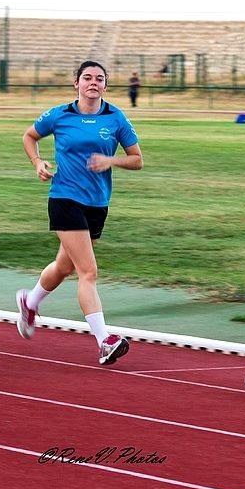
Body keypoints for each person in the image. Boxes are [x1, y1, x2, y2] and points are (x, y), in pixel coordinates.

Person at [15, 60, 143, 365]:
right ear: (77, 83)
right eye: (87, 78)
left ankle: (29, 302)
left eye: (99, 79)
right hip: (64, 198)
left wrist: (111, 161)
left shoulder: (115, 118)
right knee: (88, 271)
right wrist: (37, 162)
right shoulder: (59, 115)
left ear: (105, 85)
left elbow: (137, 159)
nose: (93, 83)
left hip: (97, 203)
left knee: (64, 266)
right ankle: (105, 340)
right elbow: (29, 136)